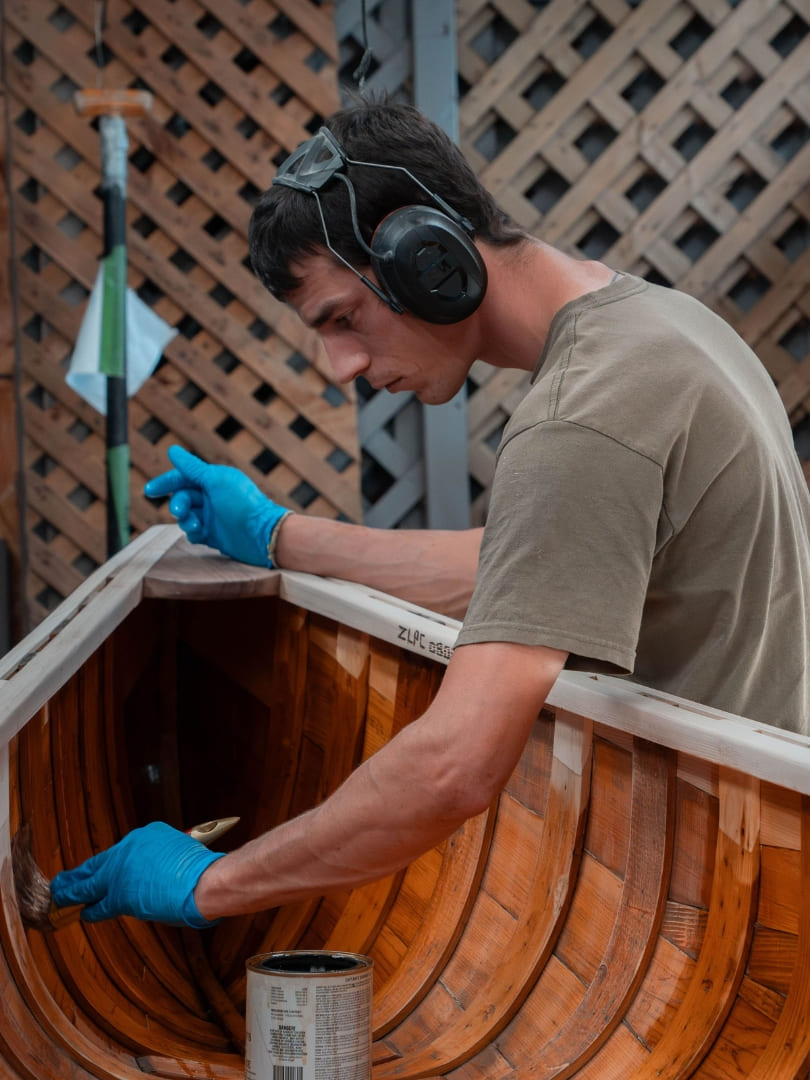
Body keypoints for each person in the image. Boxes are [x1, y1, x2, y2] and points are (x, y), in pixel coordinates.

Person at [50, 100, 810, 929]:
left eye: (343, 317)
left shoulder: (579, 419)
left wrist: (212, 884)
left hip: (725, 903)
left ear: (427, 257)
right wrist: (279, 536)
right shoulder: (659, 324)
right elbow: (521, 567)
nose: (341, 364)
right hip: (769, 846)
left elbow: (456, 765)